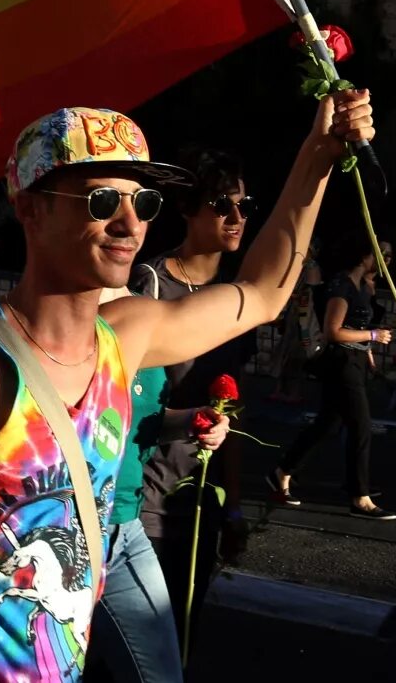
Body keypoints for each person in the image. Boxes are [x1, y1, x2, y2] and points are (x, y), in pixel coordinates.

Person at [0, 94, 375, 683]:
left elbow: (263, 293)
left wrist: (318, 154)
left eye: (144, 203)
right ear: (29, 209)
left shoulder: (126, 337)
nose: (130, 225)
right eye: (102, 201)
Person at [87, 149, 256, 683]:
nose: (235, 217)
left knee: (181, 636)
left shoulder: (235, 299)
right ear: (188, 210)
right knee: (123, 653)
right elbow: (123, 399)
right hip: (146, 495)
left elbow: (230, 406)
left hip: (201, 495)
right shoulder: (149, 286)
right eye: (220, 205)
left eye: (244, 206)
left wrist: (233, 503)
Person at [271, 232, 396, 519]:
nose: (386, 261)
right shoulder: (342, 285)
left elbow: (357, 323)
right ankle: (359, 497)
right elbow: (334, 331)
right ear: (367, 255)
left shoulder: (363, 286)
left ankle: (283, 471)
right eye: (382, 254)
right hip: (341, 363)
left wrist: (368, 351)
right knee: (361, 426)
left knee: (328, 424)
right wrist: (374, 335)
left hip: (355, 360)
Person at [270, 238, 322, 403]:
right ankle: (280, 389)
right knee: (284, 354)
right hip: (293, 316)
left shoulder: (311, 267)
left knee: (298, 357)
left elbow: (309, 291)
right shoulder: (297, 267)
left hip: (303, 318)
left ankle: (293, 392)